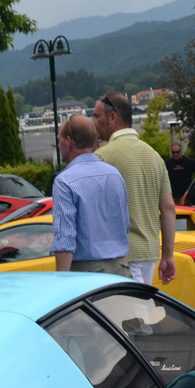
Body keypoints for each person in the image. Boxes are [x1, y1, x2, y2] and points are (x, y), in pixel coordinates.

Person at [93, 92, 176, 286]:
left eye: (96, 116)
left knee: (130, 314)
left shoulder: (103, 157)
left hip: (121, 257)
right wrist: (168, 255)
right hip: (150, 254)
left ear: (113, 116)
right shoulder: (155, 157)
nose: (93, 122)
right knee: (141, 310)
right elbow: (169, 208)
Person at [50, 115, 129, 275]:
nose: (58, 145)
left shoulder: (65, 181)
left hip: (88, 275)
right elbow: (125, 225)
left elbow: (65, 240)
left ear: (69, 141)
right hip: (122, 271)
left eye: (60, 140)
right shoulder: (114, 174)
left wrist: (60, 282)